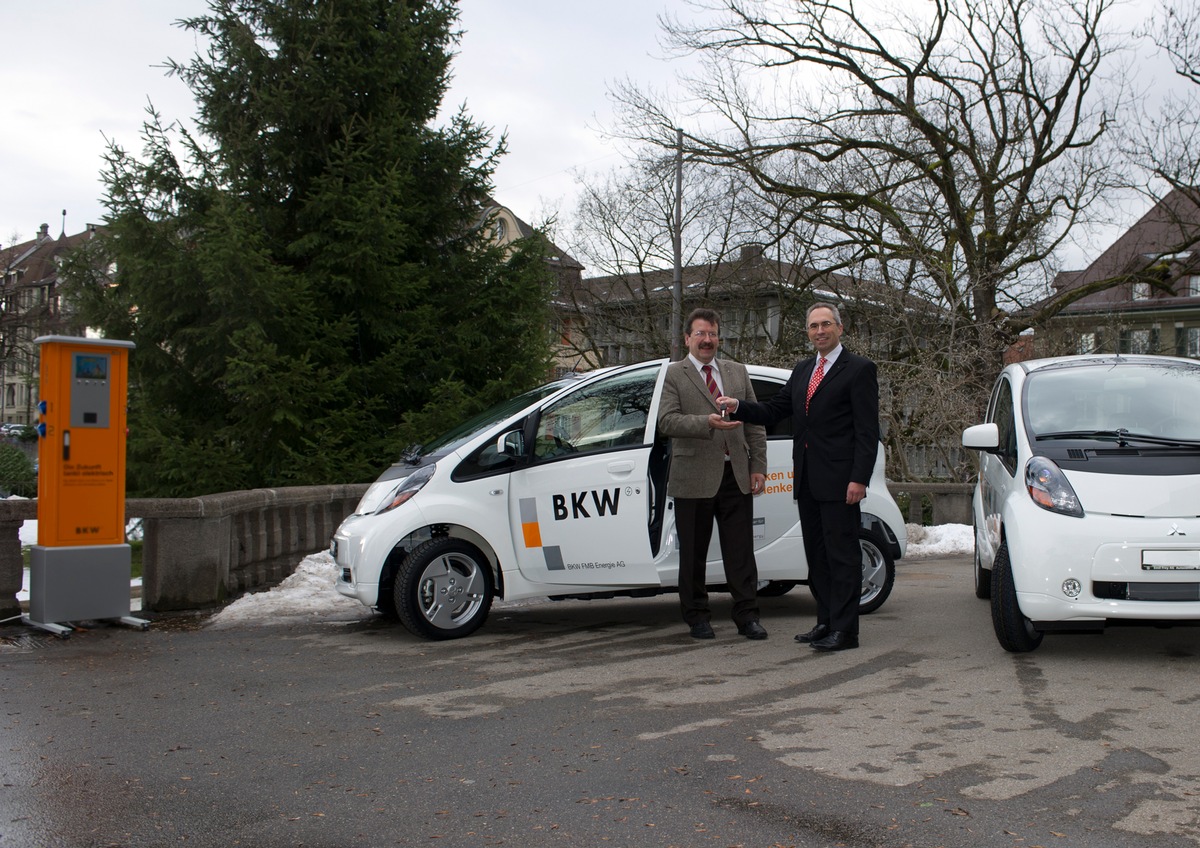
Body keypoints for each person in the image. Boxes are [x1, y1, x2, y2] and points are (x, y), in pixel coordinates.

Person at [717, 302, 879, 652]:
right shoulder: (804, 369)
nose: (819, 331)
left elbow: (867, 432)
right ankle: (826, 622)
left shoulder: (859, 370)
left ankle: (846, 632)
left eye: (825, 325)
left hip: (840, 482)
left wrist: (859, 479)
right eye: (813, 326)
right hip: (807, 480)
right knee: (817, 557)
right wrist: (739, 407)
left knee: (842, 557)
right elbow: (776, 409)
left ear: (840, 328)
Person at [658, 308, 769, 640]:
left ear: (719, 337)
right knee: (693, 554)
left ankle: (748, 616)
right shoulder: (674, 374)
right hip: (693, 477)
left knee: (741, 553)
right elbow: (667, 421)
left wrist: (758, 466)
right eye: (700, 334)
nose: (707, 340)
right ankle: (697, 617)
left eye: (712, 334)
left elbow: (754, 420)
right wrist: (706, 422)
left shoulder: (737, 371)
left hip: (735, 474)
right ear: (687, 338)